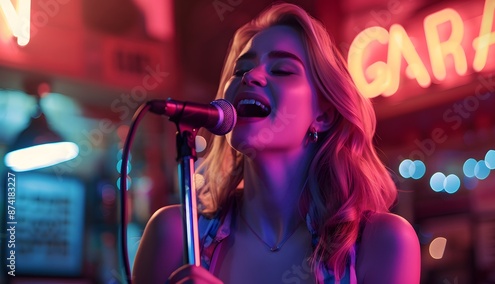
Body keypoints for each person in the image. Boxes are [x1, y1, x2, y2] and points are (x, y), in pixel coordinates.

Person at [132, 3, 421, 284]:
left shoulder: (382, 243)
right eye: (241, 69)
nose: (252, 76)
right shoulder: (175, 236)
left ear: (323, 115)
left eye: (282, 70)